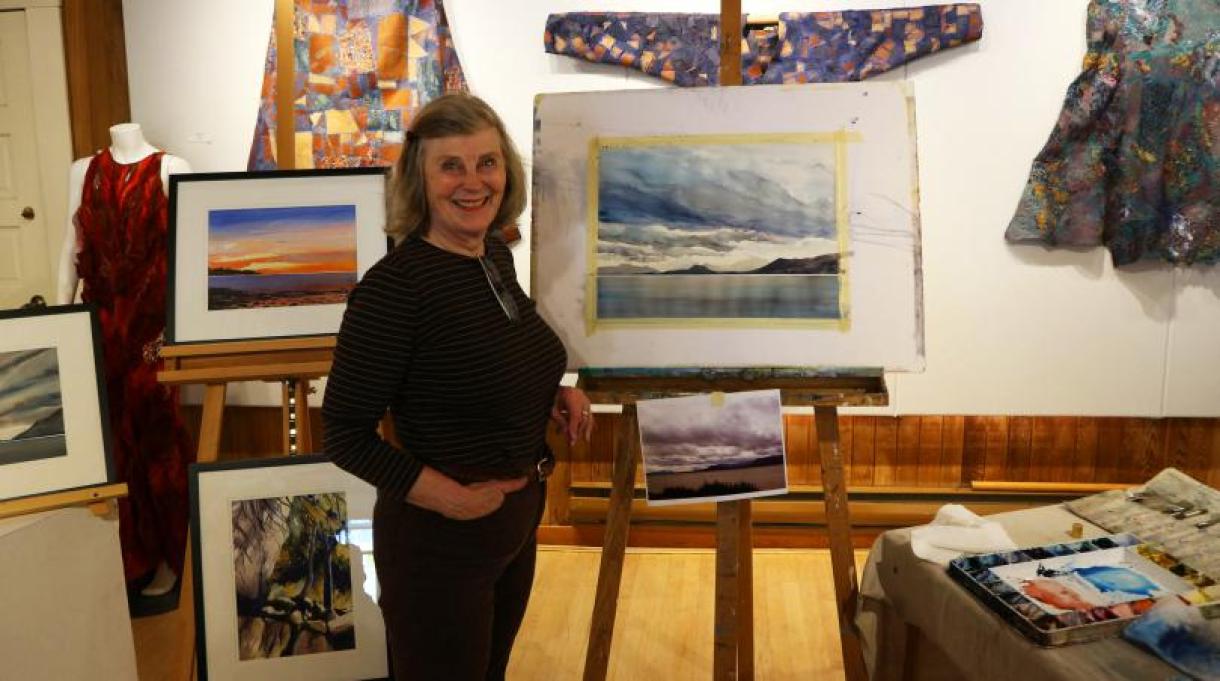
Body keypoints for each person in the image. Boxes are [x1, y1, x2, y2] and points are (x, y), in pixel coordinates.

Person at [322, 92, 593, 681]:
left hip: (514, 521)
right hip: (439, 542)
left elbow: (490, 358)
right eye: (452, 166)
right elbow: (343, 433)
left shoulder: (491, 256)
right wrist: (446, 497)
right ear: (420, 180)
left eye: (487, 163)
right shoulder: (394, 290)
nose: (473, 182)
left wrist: (551, 392)